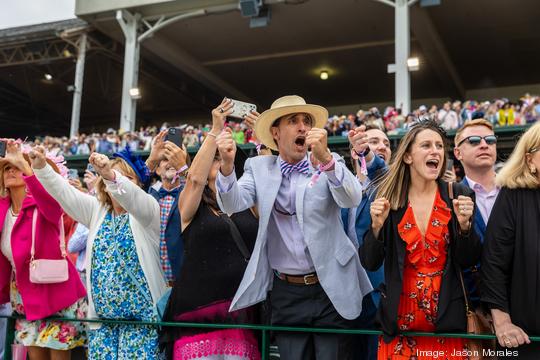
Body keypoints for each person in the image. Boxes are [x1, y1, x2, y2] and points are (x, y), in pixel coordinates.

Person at [216, 95, 371, 360]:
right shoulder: (258, 167)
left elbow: (351, 197)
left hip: (330, 287)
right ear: (275, 133)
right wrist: (228, 167)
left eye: (306, 121)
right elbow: (232, 203)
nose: (303, 127)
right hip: (286, 292)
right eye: (293, 121)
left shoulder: (329, 161)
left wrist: (326, 161)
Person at [30, 146, 167, 359]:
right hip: (103, 326)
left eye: (128, 177)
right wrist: (41, 168)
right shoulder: (98, 211)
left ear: (139, 184)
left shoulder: (148, 212)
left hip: (142, 326)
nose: (121, 181)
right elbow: (66, 194)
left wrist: (111, 174)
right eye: (116, 177)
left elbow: (132, 197)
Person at [360, 120, 482, 359]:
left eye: (439, 146)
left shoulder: (458, 194)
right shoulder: (390, 198)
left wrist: (465, 226)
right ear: (407, 156)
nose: (435, 151)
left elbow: (469, 259)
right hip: (400, 325)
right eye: (426, 145)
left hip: (447, 323)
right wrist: (376, 226)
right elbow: (370, 262)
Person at [161, 98, 260, 360]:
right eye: (214, 159)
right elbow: (194, 178)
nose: (220, 160)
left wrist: (263, 139)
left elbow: (267, 177)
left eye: (224, 157)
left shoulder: (248, 204)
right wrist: (215, 131)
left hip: (243, 315)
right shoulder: (192, 205)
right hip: (197, 314)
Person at [0, 140, 87, 360]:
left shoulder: (43, 204)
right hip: (23, 296)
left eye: (16, 167)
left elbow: (53, 201)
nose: (11, 170)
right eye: (6, 167)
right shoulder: (3, 209)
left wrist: (27, 166)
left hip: (55, 294)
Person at [481, 122, 540, 358]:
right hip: (528, 339)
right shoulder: (514, 196)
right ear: (530, 160)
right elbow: (494, 263)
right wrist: (503, 321)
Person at [342, 125, 391, 360]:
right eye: (373, 141)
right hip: (341, 293)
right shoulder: (337, 185)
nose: (382, 146)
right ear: (354, 151)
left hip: (379, 292)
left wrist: (368, 154)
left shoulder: (393, 185)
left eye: (387, 143)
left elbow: (380, 172)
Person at [453, 119, 500, 306]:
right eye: (473, 141)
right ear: (458, 153)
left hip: (525, 304)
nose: (483, 145)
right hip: (474, 306)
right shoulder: (448, 197)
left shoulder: (517, 191)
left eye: (490, 140)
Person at [147, 131, 189, 284]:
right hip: (154, 278)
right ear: (157, 170)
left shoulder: (191, 193)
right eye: (165, 159)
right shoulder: (148, 195)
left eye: (174, 158)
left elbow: (198, 189)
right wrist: (152, 158)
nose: (170, 161)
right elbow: (131, 189)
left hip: (183, 277)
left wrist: (183, 167)